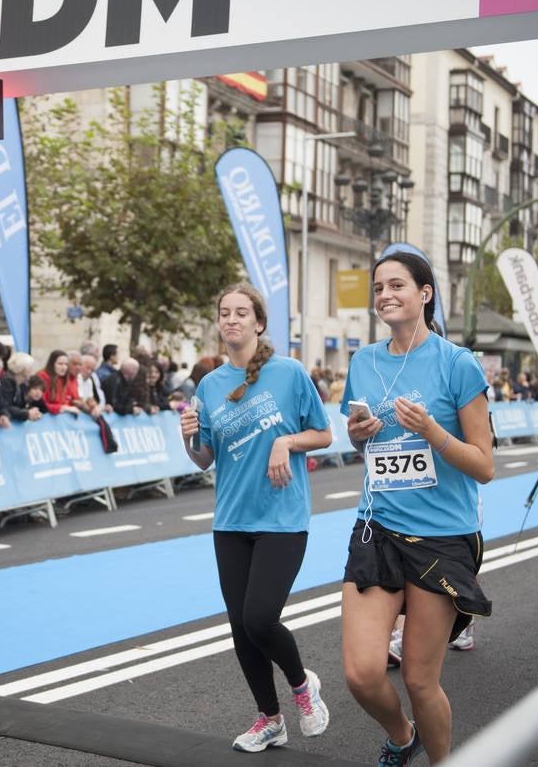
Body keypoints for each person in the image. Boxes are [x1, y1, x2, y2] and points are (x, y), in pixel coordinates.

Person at [341, 251, 495, 765]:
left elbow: (483, 465)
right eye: (379, 287)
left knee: (418, 679)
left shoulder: (458, 363)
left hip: (442, 537)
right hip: (377, 526)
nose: (385, 295)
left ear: (425, 293)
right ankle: (404, 737)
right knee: (362, 673)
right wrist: (359, 437)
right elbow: (365, 448)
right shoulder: (363, 362)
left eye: (397, 285)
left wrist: (432, 432)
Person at [178, 283, 333, 753]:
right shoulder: (209, 384)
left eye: (241, 312)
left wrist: (286, 442)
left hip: (282, 520)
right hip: (230, 521)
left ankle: (302, 685)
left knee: (260, 618)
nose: (231, 320)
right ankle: (270, 719)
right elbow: (204, 459)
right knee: (240, 628)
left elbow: (324, 435)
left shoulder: (288, 374)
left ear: (258, 323)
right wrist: (187, 437)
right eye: (224, 312)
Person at [36, 350, 78, 415]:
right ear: (52, 364)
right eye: (60, 364)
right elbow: (41, 405)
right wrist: (62, 408)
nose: (64, 367)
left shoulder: (64, 378)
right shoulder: (42, 376)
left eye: (66, 364)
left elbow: (66, 401)